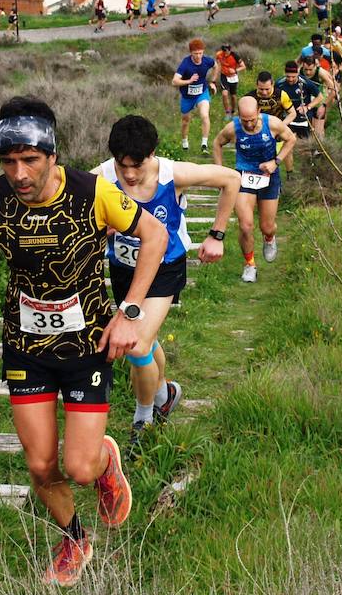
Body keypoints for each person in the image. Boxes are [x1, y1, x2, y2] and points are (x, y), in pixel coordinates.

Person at [0, 97, 167, 587]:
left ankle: (104, 462)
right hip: (24, 346)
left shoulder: (92, 192)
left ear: (52, 154)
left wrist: (129, 313)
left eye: (30, 160)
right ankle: (74, 537)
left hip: (86, 347)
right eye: (8, 161)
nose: (18, 173)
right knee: (39, 463)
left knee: (78, 466)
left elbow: (155, 236)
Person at [97, 115, 239, 452]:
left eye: (137, 165)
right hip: (124, 269)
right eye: (122, 165)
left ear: (153, 154)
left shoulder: (172, 174)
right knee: (147, 337)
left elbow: (231, 179)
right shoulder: (101, 177)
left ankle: (144, 419)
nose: (129, 174)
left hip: (164, 267)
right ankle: (165, 394)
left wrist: (216, 235)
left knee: (137, 345)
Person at [212, 96, 295, 283]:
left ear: (259, 112)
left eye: (252, 119)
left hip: (269, 177)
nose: (249, 124)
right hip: (243, 177)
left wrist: (276, 162)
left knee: (267, 226)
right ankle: (249, 265)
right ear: (238, 116)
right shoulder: (233, 128)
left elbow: (291, 139)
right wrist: (220, 171)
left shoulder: (272, 124)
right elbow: (217, 143)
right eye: (244, 120)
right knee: (245, 225)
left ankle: (269, 238)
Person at [172, 39, 216, 153]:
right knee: (186, 121)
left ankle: (204, 145)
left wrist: (212, 81)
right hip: (187, 97)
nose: (198, 56)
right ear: (191, 53)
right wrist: (189, 81)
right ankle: (185, 142)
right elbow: (174, 81)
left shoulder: (207, 61)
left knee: (204, 115)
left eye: (200, 53)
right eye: (195, 53)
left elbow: (216, 66)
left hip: (202, 93)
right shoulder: (186, 63)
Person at [277, 59, 322, 166]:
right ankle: (290, 174)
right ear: (285, 74)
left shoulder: (306, 83)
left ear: (298, 72)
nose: (291, 79)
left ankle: (308, 169)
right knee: (288, 146)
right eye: (288, 76)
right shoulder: (279, 83)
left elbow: (320, 97)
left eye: (293, 77)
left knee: (305, 147)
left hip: (303, 119)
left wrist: (308, 107)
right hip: (288, 119)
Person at [297, 53, 337, 140]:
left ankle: (320, 150)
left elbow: (334, 90)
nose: (308, 72)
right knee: (306, 130)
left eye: (310, 69)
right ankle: (308, 149)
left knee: (318, 130)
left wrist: (324, 105)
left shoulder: (321, 73)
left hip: (319, 102)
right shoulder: (299, 72)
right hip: (305, 104)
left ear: (315, 66)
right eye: (306, 69)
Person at [213, 42, 246, 116]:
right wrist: (214, 79)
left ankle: (233, 111)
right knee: (224, 94)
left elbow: (243, 66)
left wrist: (235, 70)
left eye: (226, 51)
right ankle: (227, 113)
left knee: (233, 96)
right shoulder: (219, 55)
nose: (225, 53)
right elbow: (218, 66)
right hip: (224, 76)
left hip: (233, 77)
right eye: (223, 51)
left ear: (230, 50)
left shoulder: (235, 56)